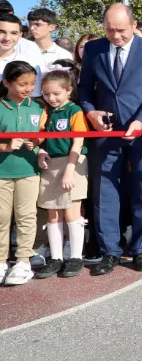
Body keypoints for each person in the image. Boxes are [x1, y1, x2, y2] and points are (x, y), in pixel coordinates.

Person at [78, 4, 142, 275]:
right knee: (104, 192)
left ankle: (140, 249)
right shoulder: (93, 49)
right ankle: (110, 251)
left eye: (121, 30)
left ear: (134, 24)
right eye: (110, 30)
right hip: (104, 133)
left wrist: (140, 121)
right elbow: (84, 89)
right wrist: (91, 113)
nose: (115, 36)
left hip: (141, 132)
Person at [32, 70, 89, 279]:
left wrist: (69, 170)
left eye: (56, 93)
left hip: (72, 163)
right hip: (51, 164)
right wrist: (41, 150)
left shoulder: (75, 111)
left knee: (72, 212)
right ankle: (56, 258)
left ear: (69, 90)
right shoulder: (46, 111)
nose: (51, 98)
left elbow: (78, 141)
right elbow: (40, 137)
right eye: (47, 94)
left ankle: (75, 257)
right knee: (52, 213)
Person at [0, 62, 43, 285]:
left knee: (26, 216)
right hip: (2, 172)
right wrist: (6, 146)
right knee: (2, 217)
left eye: (32, 84)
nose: (28, 88)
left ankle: (24, 261)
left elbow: (44, 134)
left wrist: (39, 143)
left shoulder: (38, 107)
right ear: (7, 82)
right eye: (22, 84)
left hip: (29, 170)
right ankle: (1, 262)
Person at [0, 13, 43, 97]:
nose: (7, 38)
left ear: (20, 35)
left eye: (14, 33)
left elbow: (33, 97)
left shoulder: (29, 65)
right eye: (2, 32)